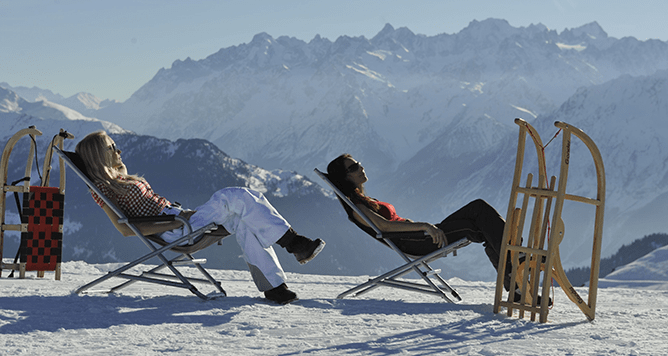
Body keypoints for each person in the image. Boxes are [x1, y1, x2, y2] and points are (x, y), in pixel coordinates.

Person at [75, 131, 325, 304]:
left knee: (242, 217)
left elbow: (124, 179)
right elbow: (126, 229)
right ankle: (295, 244)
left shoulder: (119, 178)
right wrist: (176, 221)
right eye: (111, 148)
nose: (118, 150)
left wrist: (118, 167)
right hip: (175, 230)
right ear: (99, 155)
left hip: (180, 219)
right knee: (232, 195)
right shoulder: (103, 189)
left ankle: (275, 288)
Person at [326, 153, 517, 294]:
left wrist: (424, 227)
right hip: (416, 242)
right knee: (479, 216)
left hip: (419, 237)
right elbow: (384, 227)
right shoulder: (356, 207)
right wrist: (425, 226)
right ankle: (516, 260)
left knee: (480, 216)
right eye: (353, 168)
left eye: (358, 163)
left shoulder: (365, 200)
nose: (360, 168)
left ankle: (514, 280)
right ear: (345, 178)